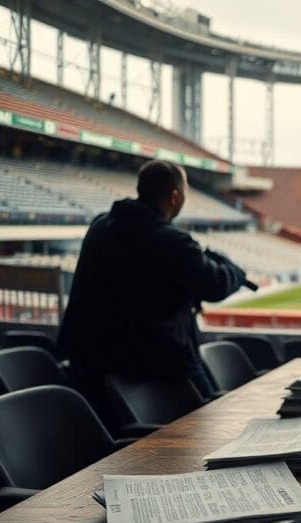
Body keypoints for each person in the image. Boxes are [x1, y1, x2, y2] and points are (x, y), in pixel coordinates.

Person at [58, 160, 247, 424]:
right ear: (174, 196)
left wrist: (182, 294)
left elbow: (134, 282)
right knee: (213, 419)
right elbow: (216, 284)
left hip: (92, 363)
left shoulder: (100, 227)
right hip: (153, 364)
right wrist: (237, 271)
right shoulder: (174, 242)